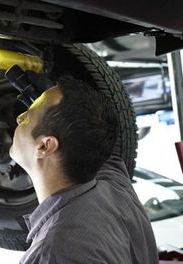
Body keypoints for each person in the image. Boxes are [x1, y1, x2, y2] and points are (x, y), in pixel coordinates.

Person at [10, 76, 158, 263]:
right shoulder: (115, 186)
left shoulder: (52, 253)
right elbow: (95, 133)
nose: (18, 117)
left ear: (45, 146)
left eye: (27, 117)